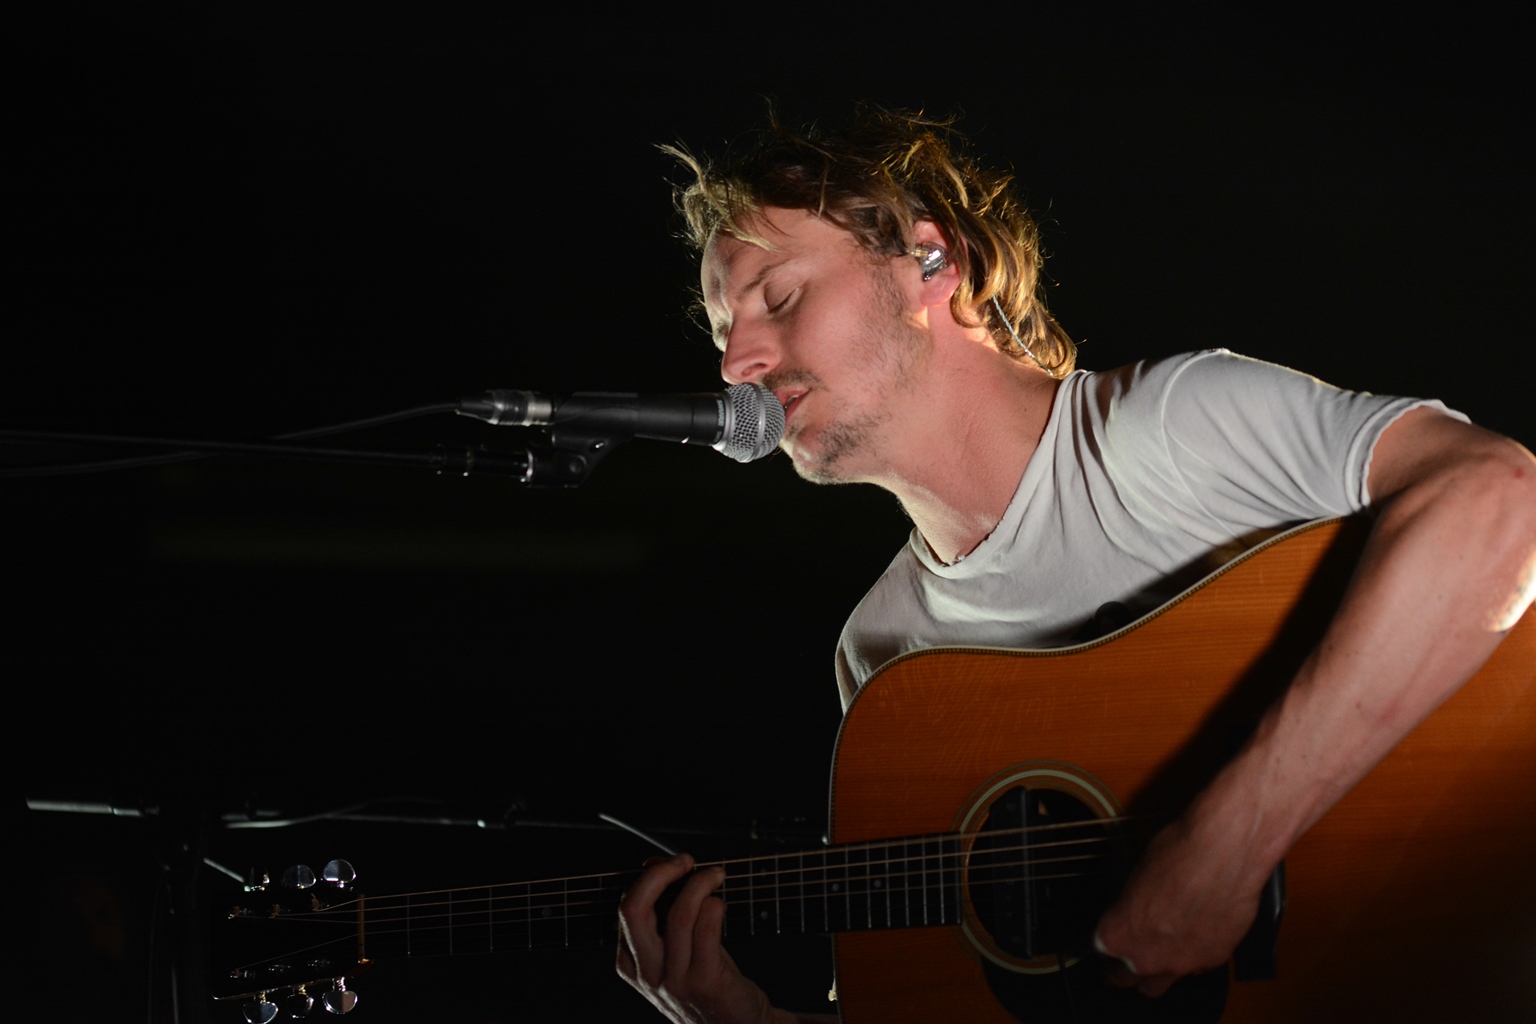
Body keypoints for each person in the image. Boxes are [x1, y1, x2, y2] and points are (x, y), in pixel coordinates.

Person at [614, 109, 1536, 1024]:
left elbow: (1503, 495)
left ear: (932, 263)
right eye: (722, 329)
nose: (737, 362)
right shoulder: (883, 654)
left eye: (777, 299)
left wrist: (1228, 844)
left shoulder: (1164, 429)